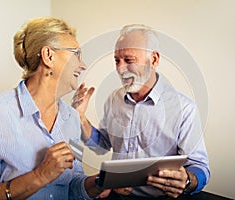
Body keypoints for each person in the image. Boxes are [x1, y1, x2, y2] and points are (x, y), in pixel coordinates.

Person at [73, 24, 210, 199]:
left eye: (129, 60)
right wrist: (80, 118)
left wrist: (189, 180)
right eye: (117, 60)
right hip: (116, 195)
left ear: (153, 60)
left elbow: (201, 167)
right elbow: (102, 145)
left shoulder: (184, 109)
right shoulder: (114, 100)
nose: (120, 69)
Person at [0, 17, 108, 200]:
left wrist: (97, 184)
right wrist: (40, 175)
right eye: (76, 54)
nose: (83, 65)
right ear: (48, 56)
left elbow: (72, 184)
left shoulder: (72, 118)